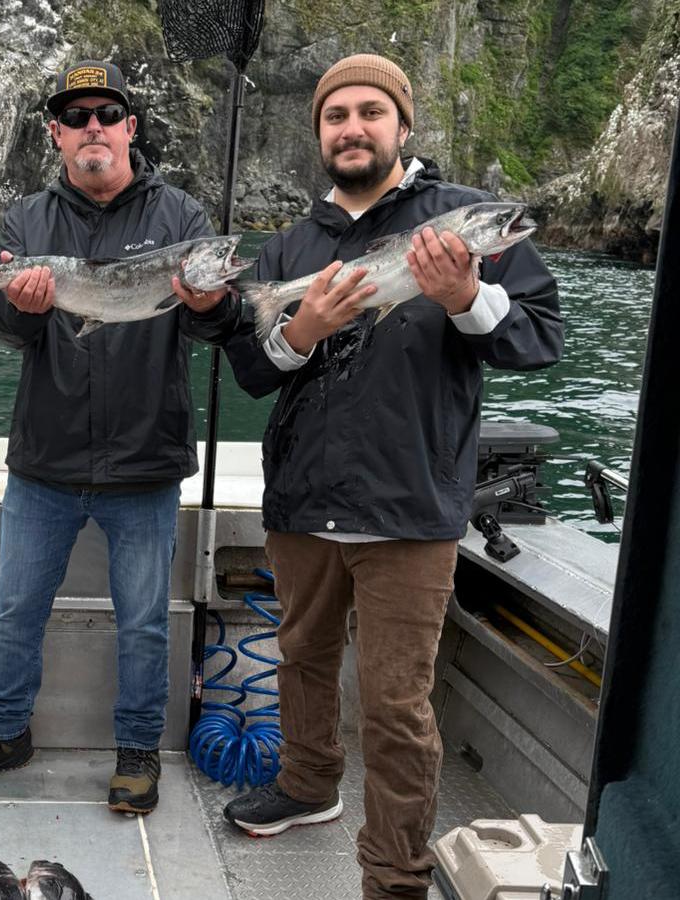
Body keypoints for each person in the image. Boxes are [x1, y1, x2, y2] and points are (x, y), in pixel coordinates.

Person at [219, 54, 563, 899]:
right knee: (299, 656)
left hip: (410, 508)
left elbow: (539, 340)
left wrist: (464, 298)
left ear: (402, 127)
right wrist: (298, 333)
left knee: (396, 707)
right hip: (303, 500)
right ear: (320, 136)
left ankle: (396, 876)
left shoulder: (461, 223)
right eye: (336, 116)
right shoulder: (290, 246)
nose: (353, 127)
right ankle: (307, 784)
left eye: (371, 111)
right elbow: (254, 372)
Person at [0, 60, 238, 814]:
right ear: (56, 135)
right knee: (16, 612)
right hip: (46, 457)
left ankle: (137, 750)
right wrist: (21, 307)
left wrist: (208, 300)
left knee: (142, 624)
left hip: (147, 458)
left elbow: (218, 326)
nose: (91, 126)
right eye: (76, 117)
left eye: (106, 113)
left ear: (130, 127)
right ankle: (4, 731)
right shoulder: (29, 219)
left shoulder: (186, 221)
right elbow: (3, 327)